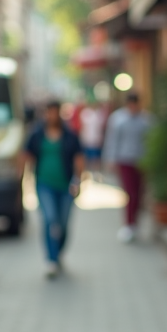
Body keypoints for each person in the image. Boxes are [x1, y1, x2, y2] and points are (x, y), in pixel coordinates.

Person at [23, 100, 83, 278]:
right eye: (49, 112)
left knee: (63, 224)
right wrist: (22, 177)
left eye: (55, 112)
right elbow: (27, 155)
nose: (52, 116)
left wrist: (78, 181)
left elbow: (79, 159)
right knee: (50, 219)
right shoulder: (36, 134)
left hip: (66, 186)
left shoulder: (70, 135)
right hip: (44, 184)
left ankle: (58, 253)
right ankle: (51, 259)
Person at [102, 92, 153, 243]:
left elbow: (150, 141)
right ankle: (129, 224)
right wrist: (110, 159)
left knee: (139, 193)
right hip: (124, 161)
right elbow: (112, 140)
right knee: (130, 192)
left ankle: (135, 223)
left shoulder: (147, 120)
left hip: (141, 161)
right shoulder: (118, 119)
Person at [78, 100, 107, 177]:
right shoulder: (85, 113)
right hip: (87, 140)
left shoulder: (99, 114)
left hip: (97, 140)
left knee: (96, 158)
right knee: (87, 157)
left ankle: (96, 173)